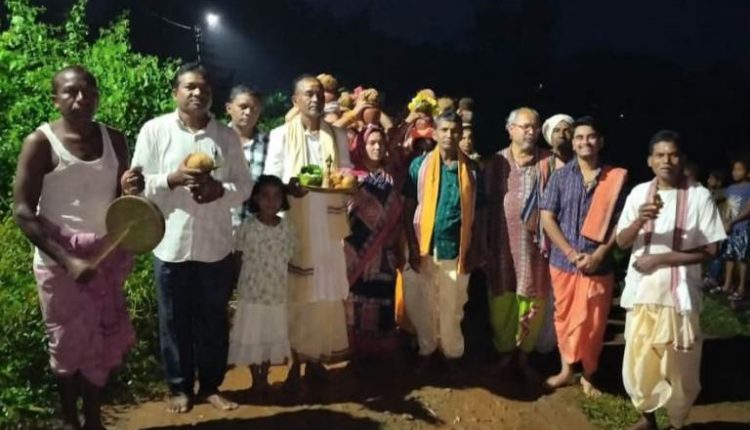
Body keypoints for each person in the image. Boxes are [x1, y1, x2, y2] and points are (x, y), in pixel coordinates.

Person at [124, 62, 252, 413]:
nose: (198, 92)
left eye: (204, 88)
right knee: (173, 320)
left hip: (215, 245)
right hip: (170, 243)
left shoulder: (226, 136)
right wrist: (172, 179)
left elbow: (244, 186)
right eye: (190, 86)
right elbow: (138, 185)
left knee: (214, 320)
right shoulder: (154, 130)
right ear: (175, 93)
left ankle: (211, 386)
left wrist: (218, 191)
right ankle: (179, 388)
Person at [13, 65, 134, 430]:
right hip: (58, 261)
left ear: (97, 96)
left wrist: (131, 189)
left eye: (89, 91)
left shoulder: (115, 139)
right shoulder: (40, 143)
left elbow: (120, 200)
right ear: (55, 99)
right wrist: (68, 261)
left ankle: (93, 419)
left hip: (104, 259)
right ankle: (70, 421)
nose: (81, 98)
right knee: (65, 343)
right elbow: (23, 212)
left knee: (100, 340)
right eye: (70, 91)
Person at [615, 130, 726, 430]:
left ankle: (677, 422)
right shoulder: (639, 194)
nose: (666, 160)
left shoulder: (699, 196)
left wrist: (660, 259)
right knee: (640, 361)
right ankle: (647, 419)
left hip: (680, 296)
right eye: (660, 155)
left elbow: (711, 249)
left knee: (681, 368)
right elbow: (622, 242)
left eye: (673, 154)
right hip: (642, 293)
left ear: (682, 159)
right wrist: (640, 220)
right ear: (650, 161)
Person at [263, 75, 352, 390]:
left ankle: (315, 360)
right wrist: (288, 188)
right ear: (295, 100)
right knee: (297, 298)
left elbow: (345, 174)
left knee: (324, 297)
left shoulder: (337, 135)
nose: (315, 99)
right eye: (309, 94)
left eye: (319, 94)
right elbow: (269, 181)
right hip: (295, 227)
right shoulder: (280, 135)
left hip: (328, 231)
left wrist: (346, 182)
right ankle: (295, 364)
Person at [540, 116, 627, 396]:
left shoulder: (615, 179)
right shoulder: (560, 176)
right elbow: (547, 217)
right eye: (579, 137)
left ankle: (589, 374)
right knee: (564, 318)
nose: (584, 142)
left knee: (595, 322)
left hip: (598, 265)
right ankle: (566, 370)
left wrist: (599, 255)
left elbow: (621, 223)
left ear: (600, 141)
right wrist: (569, 252)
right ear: (573, 142)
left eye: (590, 137)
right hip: (563, 263)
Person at [402, 110, 480, 372]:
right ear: (434, 133)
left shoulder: (471, 169)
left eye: (454, 131)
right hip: (423, 244)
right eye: (444, 130)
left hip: (456, 248)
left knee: (453, 304)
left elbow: (479, 212)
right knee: (423, 302)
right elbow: (408, 206)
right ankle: (427, 349)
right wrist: (413, 246)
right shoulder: (419, 166)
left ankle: (451, 353)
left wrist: (474, 247)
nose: (449, 135)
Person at [484, 107, 559, 380]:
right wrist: (481, 243)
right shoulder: (495, 163)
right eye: (525, 126)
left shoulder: (550, 162)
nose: (531, 132)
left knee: (533, 302)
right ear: (510, 129)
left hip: (536, 252)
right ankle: (505, 354)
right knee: (501, 304)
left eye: (535, 127)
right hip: (500, 248)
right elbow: (482, 206)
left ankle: (524, 357)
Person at [228, 175, 296, 398]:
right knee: (252, 335)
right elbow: (237, 257)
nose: (271, 201)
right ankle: (255, 379)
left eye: (276, 196)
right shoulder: (248, 226)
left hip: (276, 293)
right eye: (265, 195)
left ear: (283, 200)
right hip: (252, 292)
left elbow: (290, 259)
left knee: (269, 336)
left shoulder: (287, 228)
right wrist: (236, 283)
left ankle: (264, 378)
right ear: (256, 198)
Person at [344, 124, 405, 362]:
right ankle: (354, 349)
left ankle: (379, 350)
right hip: (354, 248)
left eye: (381, 143)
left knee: (381, 297)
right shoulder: (351, 176)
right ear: (362, 145)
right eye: (372, 143)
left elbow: (398, 212)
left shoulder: (391, 176)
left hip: (384, 250)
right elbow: (343, 211)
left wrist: (396, 241)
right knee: (355, 298)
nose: (377, 147)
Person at [225, 84, 269, 232]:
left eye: (254, 108)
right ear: (229, 108)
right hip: (219, 228)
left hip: (256, 231)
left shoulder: (270, 144)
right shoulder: (215, 140)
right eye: (243, 107)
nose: (248, 112)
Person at [719, 159, 750, 300]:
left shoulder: (748, 188)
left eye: (739, 169)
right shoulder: (730, 189)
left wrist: (733, 222)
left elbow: (748, 210)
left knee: (742, 258)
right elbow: (727, 206)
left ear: (747, 173)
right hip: (730, 229)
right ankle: (727, 285)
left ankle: (741, 288)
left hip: (742, 228)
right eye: (733, 169)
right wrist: (725, 221)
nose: (735, 172)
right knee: (729, 256)